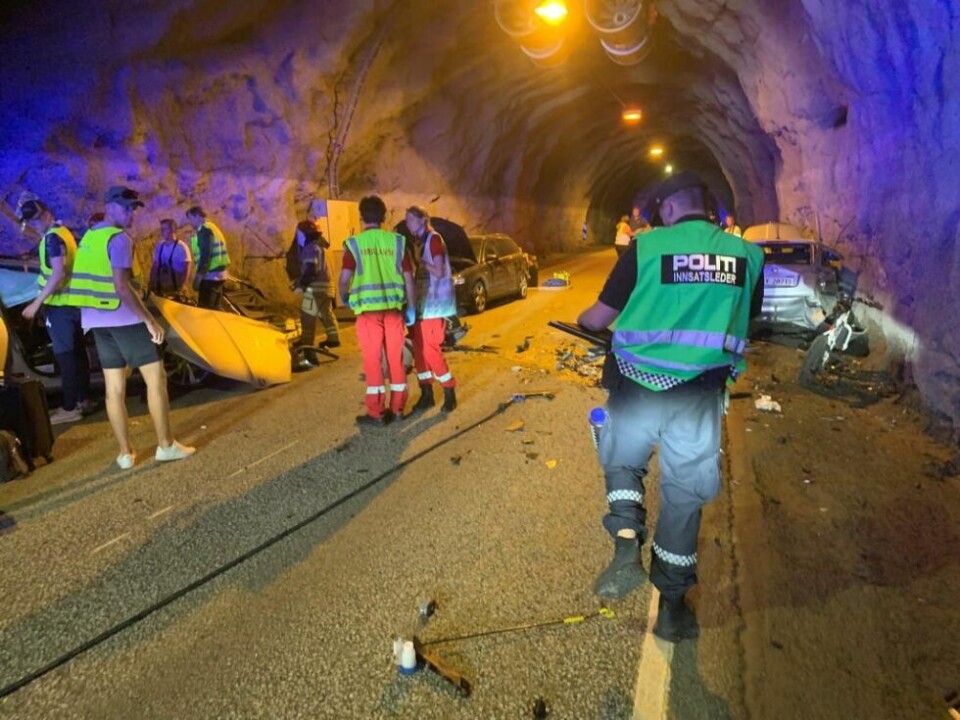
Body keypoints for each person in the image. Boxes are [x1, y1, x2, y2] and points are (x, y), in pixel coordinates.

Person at [577, 171, 764, 642]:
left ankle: (625, 547)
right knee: (684, 496)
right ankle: (672, 610)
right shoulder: (747, 256)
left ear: (671, 210)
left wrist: (585, 320)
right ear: (713, 209)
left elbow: (598, 318)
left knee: (622, 462)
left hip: (637, 386)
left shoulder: (646, 248)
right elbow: (748, 318)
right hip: (698, 396)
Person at [67, 186, 195, 469]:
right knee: (156, 379)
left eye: (134, 208)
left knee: (114, 389)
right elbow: (122, 287)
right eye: (126, 207)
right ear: (110, 206)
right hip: (123, 318)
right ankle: (165, 445)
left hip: (97, 322)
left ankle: (125, 454)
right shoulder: (119, 239)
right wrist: (149, 320)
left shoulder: (89, 237)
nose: (131, 213)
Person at [338, 195, 416, 427]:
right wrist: (410, 307)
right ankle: (398, 408)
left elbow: (344, 279)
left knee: (373, 362)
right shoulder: (397, 242)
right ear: (384, 217)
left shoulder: (355, 244)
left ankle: (376, 413)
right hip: (393, 312)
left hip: (368, 315)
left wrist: (344, 297)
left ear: (361, 216)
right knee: (396, 360)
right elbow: (409, 280)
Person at [17, 193, 93, 424]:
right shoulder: (62, 232)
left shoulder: (52, 238)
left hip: (59, 306)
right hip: (71, 304)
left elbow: (57, 271)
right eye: (32, 222)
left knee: (65, 356)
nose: (35, 224)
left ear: (46, 214)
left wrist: (35, 303)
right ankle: (83, 400)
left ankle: (70, 407)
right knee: (77, 354)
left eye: (37, 220)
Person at [405, 205, 457, 413]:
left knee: (430, 350)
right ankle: (426, 393)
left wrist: (422, 264)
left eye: (410, 219)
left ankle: (449, 390)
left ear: (422, 220)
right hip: (422, 306)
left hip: (434, 307)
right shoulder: (422, 242)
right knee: (419, 351)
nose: (407, 224)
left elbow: (438, 269)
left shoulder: (433, 240)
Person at [292, 219, 340, 364]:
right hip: (327, 288)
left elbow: (312, 269)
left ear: (306, 233)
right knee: (327, 313)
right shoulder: (323, 247)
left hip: (315, 288)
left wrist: (301, 283)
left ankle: (308, 349)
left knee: (307, 318)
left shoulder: (310, 248)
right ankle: (333, 338)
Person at [186, 206, 231, 309]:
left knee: (206, 311)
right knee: (216, 309)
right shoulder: (213, 228)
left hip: (210, 276)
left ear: (197, 216)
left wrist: (198, 277)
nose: (190, 223)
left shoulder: (204, 230)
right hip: (220, 275)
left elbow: (206, 255)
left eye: (190, 219)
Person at [148, 219, 192, 296]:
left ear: (172, 230)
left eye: (164, 229)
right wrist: (151, 283)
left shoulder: (181, 247)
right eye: (161, 229)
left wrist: (180, 286)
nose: (161, 231)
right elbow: (155, 266)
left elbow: (186, 268)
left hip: (175, 288)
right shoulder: (159, 246)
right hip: (162, 288)